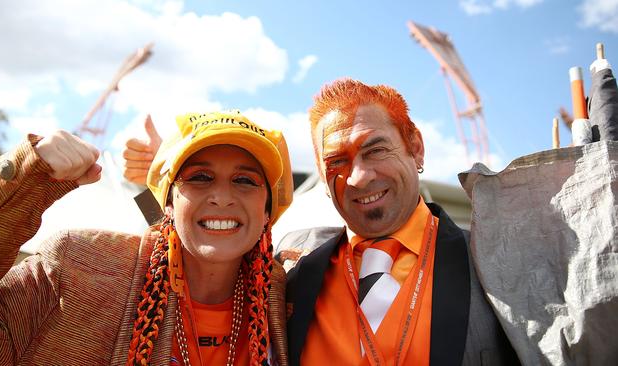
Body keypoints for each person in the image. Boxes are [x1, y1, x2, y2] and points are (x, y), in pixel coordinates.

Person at [120, 80, 519, 365]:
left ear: (415, 148)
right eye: (337, 162)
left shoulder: (495, 262)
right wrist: (169, 176)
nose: (359, 177)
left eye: (375, 150)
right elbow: (210, 241)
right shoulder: (295, 262)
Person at [0, 111, 293, 366]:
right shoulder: (77, 271)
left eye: (245, 181)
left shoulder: (289, 293)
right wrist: (25, 173)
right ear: (168, 204)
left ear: (267, 212)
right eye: (200, 177)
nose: (222, 197)